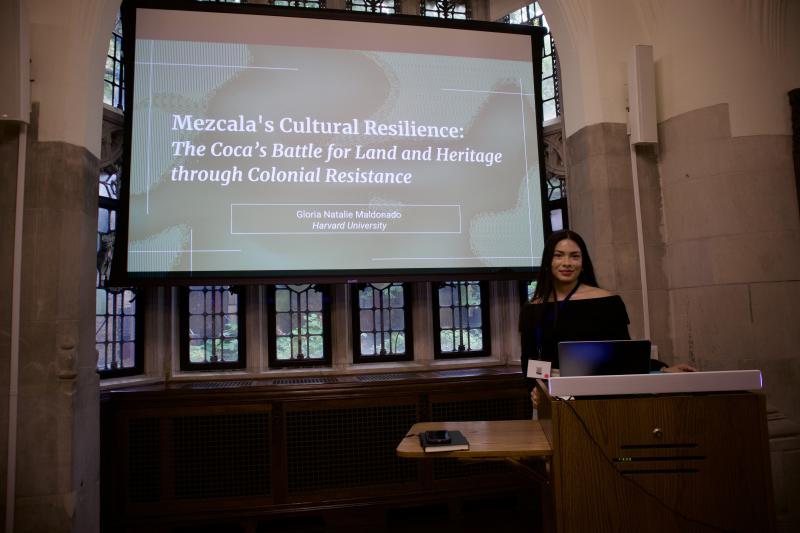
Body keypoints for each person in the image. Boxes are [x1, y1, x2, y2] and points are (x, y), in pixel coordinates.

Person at [520, 230, 696, 404]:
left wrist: (662, 369)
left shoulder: (608, 301)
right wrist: (536, 388)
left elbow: (623, 353)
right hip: (554, 392)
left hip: (602, 392)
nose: (567, 263)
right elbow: (531, 357)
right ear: (548, 262)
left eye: (574, 256)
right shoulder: (533, 308)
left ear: (583, 264)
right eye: (559, 256)